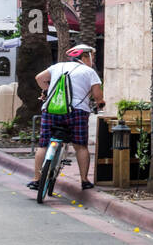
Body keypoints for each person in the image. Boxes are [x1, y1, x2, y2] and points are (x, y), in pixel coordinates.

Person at [30, 44, 104, 191]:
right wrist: (100, 103)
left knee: (43, 145)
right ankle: (84, 180)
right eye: (92, 57)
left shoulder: (58, 66)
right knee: (80, 146)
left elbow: (39, 78)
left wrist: (46, 90)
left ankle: (36, 179)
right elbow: (97, 96)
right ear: (84, 57)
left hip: (51, 110)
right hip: (76, 113)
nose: (93, 60)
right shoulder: (89, 71)